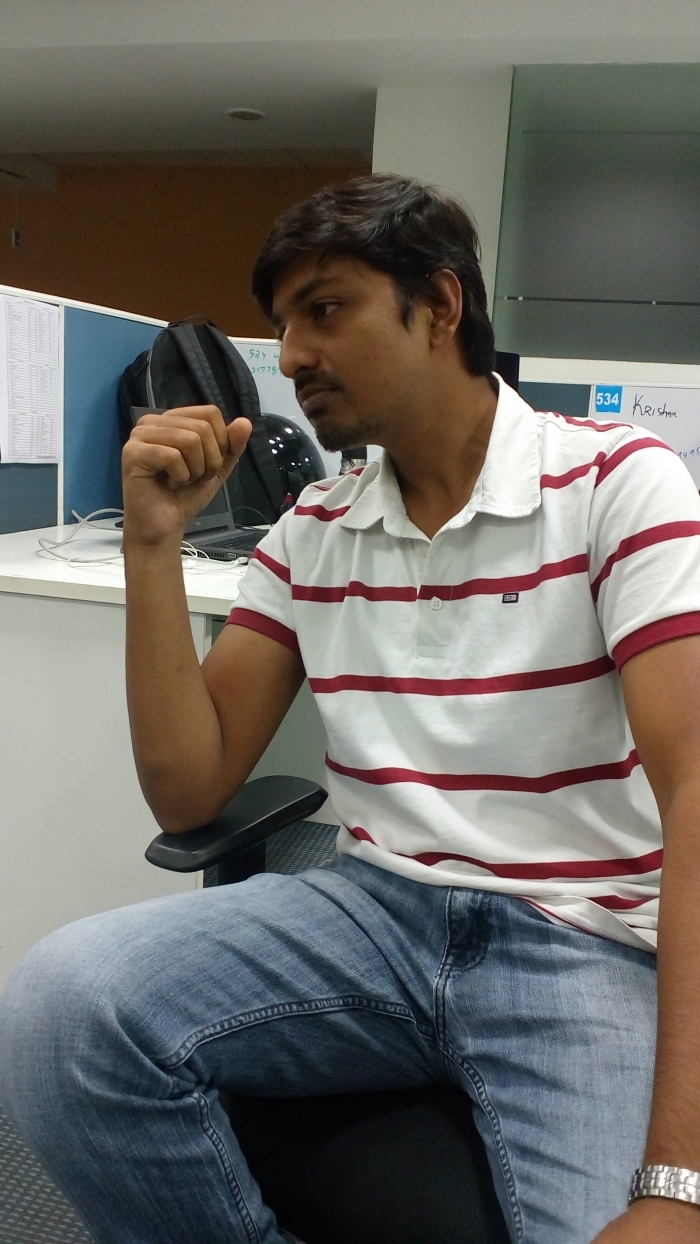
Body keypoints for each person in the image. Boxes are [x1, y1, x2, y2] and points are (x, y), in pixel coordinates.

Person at [2, 174, 700, 1244]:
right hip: (372, 912)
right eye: (284, 324)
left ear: (441, 305)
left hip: (580, 939)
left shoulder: (616, 483)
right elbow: (189, 789)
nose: (288, 356)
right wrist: (151, 544)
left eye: (324, 310)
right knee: (61, 1008)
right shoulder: (313, 528)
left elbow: (693, 794)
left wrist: (678, 1180)